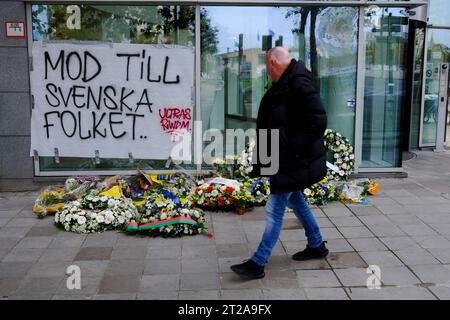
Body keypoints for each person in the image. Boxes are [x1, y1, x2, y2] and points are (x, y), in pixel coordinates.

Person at [230, 46, 329, 279]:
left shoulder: (298, 84)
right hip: (284, 159)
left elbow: (318, 121)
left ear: (273, 63)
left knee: (274, 210)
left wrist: (294, 148)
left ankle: (258, 262)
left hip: (293, 160)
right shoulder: (285, 83)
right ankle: (316, 245)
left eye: (267, 66)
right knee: (297, 200)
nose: (267, 71)